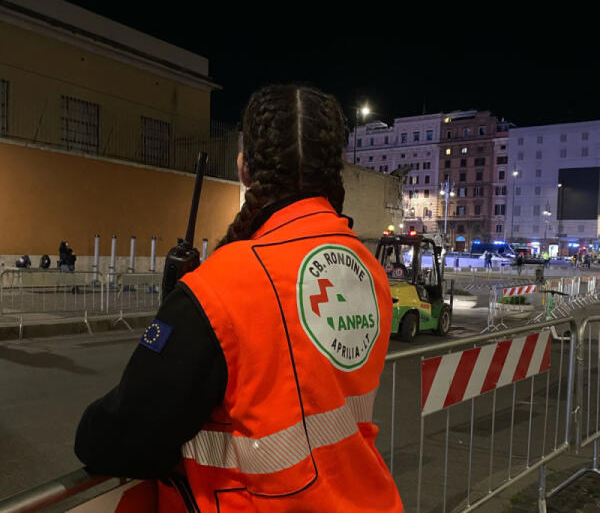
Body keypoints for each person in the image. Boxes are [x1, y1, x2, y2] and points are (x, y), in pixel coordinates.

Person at [74, 85, 403, 512]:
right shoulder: (368, 269)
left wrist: (184, 310)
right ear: (333, 170)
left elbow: (117, 437)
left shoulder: (222, 285)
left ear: (244, 168)